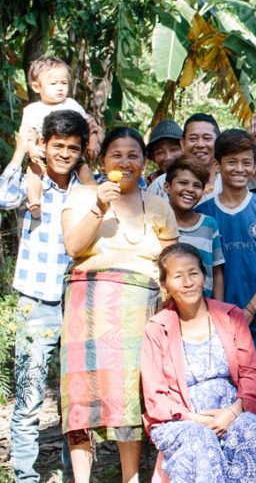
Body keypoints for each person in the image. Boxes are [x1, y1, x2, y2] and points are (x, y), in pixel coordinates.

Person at [59, 127, 180, 482]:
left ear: (144, 162)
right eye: (116, 155)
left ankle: (130, 478)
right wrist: (99, 205)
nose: (125, 163)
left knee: (131, 398)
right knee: (81, 397)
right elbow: (72, 246)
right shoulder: (82, 195)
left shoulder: (158, 205)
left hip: (140, 311)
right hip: (89, 308)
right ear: (102, 160)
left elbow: (172, 260)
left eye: (133, 156)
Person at [0, 111, 88, 483]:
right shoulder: (32, 182)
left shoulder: (87, 188)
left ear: (82, 151)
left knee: (78, 397)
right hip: (36, 300)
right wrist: (22, 152)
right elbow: (3, 198)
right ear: (46, 146)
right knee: (30, 394)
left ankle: (75, 475)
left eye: (73, 148)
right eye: (58, 146)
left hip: (80, 301)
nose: (65, 154)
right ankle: (25, 476)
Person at [140, 244, 256, 482]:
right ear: (165, 284)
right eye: (178, 276)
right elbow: (155, 397)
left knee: (249, 428)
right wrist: (198, 420)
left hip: (231, 412)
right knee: (200, 439)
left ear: (204, 277)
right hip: (181, 421)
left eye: (194, 273)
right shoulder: (157, 329)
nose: (188, 282)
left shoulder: (231, 316)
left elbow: (250, 373)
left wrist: (233, 411)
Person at [195, 129, 256, 351]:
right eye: (231, 162)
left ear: (254, 166)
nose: (239, 169)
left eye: (246, 162)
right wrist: (217, 311)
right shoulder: (203, 214)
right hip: (214, 319)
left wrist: (251, 309)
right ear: (217, 165)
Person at [17, 56, 96, 219]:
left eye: (64, 83)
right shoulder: (32, 110)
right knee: (32, 172)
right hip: (41, 155)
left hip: (72, 154)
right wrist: (31, 149)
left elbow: (90, 124)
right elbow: (26, 133)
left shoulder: (72, 104)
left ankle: (95, 193)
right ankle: (34, 202)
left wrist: (93, 142)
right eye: (53, 84)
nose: (60, 88)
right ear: (36, 87)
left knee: (85, 170)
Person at [166, 156, 225, 300]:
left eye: (197, 185)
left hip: (204, 308)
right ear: (167, 187)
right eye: (183, 183)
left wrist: (216, 308)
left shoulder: (209, 225)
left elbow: (217, 274)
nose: (190, 190)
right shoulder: (158, 222)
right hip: (166, 307)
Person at [147, 113, 223, 201]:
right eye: (193, 139)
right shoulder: (160, 185)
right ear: (182, 144)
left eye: (207, 138)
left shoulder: (230, 182)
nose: (200, 144)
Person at [145, 119, 184, 186]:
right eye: (160, 152)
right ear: (153, 157)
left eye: (173, 150)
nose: (168, 157)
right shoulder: (148, 186)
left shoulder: (199, 180)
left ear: (185, 150)